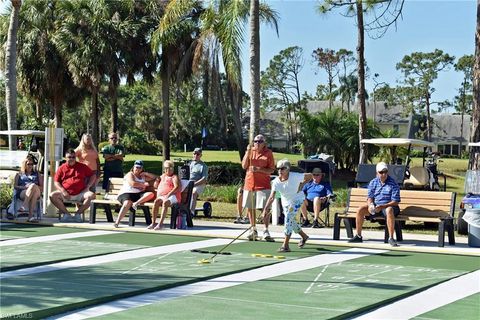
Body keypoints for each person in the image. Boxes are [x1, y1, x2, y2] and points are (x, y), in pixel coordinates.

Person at [262, 159, 311, 252]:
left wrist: (302, 185)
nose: (280, 170)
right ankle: (304, 236)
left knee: (288, 218)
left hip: (297, 199)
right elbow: (272, 197)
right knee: (291, 221)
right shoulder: (276, 182)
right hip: (286, 202)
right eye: (278, 168)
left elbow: (310, 176)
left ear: (288, 169)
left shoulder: (295, 176)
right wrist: (265, 209)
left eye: (283, 168)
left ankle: (285, 245)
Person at [348, 162, 401, 247]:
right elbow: (370, 197)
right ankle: (358, 236)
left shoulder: (393, 183)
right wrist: (370, 205)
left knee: (389, 209)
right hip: (376, 207)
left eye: (385, 172)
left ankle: (391, 238)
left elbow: (395, 201)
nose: (383, 174)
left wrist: (382, 206)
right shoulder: (373, 182)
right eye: (381, 172)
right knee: (360, 209)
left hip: (389, 206)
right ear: (377, 173)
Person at [241, 134, 275, 241]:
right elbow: (244, 166)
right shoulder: (250, 151)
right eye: (255, 141)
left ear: (264, 143)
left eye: (260, 141)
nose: (257, 143)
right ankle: (253, 229)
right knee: (250, 207)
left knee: (266, 208)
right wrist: (247, 152)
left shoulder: (268, 153)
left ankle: (266, 230)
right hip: (250, 183)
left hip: (263, 185)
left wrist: (259, 169)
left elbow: (271, 170)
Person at [49, 149, 96, 222]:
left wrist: (88, 186)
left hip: (81, 193)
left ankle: (78, 215)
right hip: (65, 193)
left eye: (73, 157)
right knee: (52, 195)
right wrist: (63, 191)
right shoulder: (61, 168)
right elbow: (56, 182)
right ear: (66, 158)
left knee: (92, 196)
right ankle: (66, 214)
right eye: (69, 157)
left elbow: (93, 175)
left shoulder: (82, 166)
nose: (71, 159)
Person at [114, 160, 156, 228]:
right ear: (133, 167)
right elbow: (133, 183)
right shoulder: (130, 174)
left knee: (151, 194)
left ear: (142, 169)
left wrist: (146, 173)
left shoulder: (143, 176)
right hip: (126, 193)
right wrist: (143, 185)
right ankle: (117, 222)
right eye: (136, 167)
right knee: (127, 203)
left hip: (138, 195)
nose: (138, 169)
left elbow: (156, 178)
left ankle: (135, 203)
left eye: (140, 168)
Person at [149, 160, 181, 230]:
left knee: (165, 202)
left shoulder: (174, 177)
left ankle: (160, 224)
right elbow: (155, 186)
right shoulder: (163, 176)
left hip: (173, 196)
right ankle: (153, 223)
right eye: (166, 168)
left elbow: (176, 187)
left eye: (169, 168)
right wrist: (157, 181)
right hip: (162, 196)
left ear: (172, 168)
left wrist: (169, 194)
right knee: (156, 202)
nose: (167, 170)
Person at [13, 156, 43, 222]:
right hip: (23, 192)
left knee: (33, 186)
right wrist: (24, 187)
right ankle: (30, 217)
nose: (30, 166)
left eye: (32, 164)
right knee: (33, 192)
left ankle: (24, 205)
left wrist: (32, 186)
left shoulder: (37, 174)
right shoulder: (19, 174)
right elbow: (15, 186)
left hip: (37, 190)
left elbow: (41, 187)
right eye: (28, 164)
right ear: (24, 164)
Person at [189, 148, 208, 216]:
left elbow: (204, 179)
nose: (195, 155)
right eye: (194, 154)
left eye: (197, 154)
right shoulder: (189, 164)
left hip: (199, 184)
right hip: (189, 183)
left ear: (200, 155)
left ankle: (192, 212)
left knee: (194, 193)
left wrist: (194, 184)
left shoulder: (203, 166)